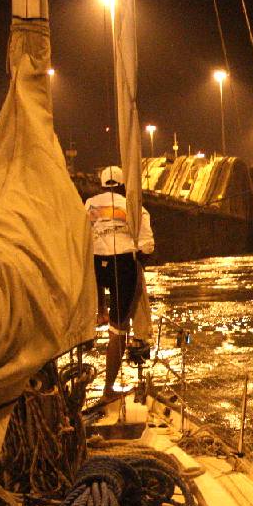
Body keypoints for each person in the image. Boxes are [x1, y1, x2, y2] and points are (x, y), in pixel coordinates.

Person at [85, 165, 154, 400]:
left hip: (96, 266)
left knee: (97, 271)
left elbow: (82, 238)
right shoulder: (134, 208)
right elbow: (147, 246)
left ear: (102, 185)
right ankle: (108, 390)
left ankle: (99, 311)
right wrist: (138, 268)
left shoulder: (90, 205)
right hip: (123, 266)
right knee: (119, 330)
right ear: (123, 186)